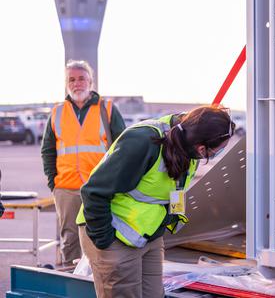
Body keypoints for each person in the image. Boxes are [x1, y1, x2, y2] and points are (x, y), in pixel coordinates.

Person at [76, 105, 235, 298]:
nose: (213, 156)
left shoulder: (188, 144)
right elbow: (94, 192)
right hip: (115, 235)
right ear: (202, 148)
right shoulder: (143, 142)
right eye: (216, 151)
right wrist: (105, 241)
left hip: (148, 235)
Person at [41, 60, 126, 265]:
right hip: (66, 189)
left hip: (99, 188)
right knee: (70, 240)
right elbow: (48, 150)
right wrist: (54, 184)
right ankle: (72, 279)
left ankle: (100, 279)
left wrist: (115, 182)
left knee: (101, 236)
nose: (76, 83)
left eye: (81, 78)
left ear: (91, 81)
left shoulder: (107, 109)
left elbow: (124, 148)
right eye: (71, 79)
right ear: (66, 83)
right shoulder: (57, 112)